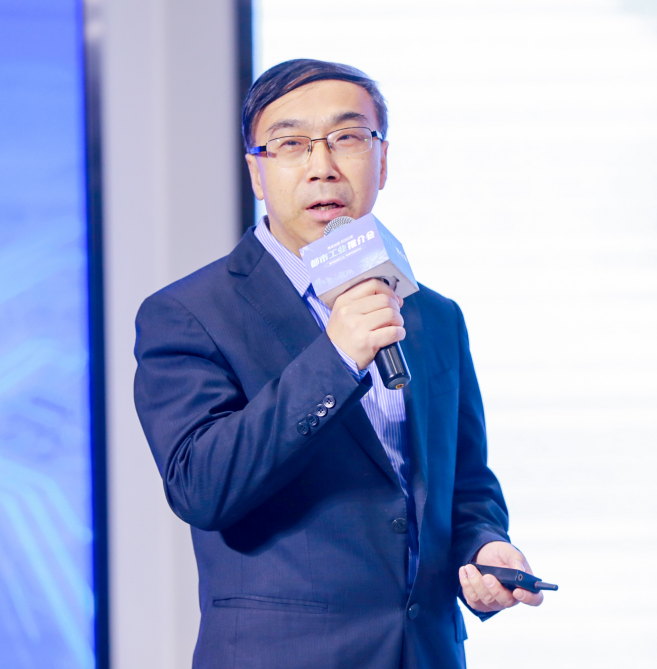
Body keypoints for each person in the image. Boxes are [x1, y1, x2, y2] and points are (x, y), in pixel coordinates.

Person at [134, 59, 543, 669]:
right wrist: (337, 357)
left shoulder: (434, 315)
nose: (322, 165)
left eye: (348, 138)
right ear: (256, 172)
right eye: (291, 144)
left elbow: (465, 485)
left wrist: (485, 546)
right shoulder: (188, 312)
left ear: (383, 160)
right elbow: (202, 487)